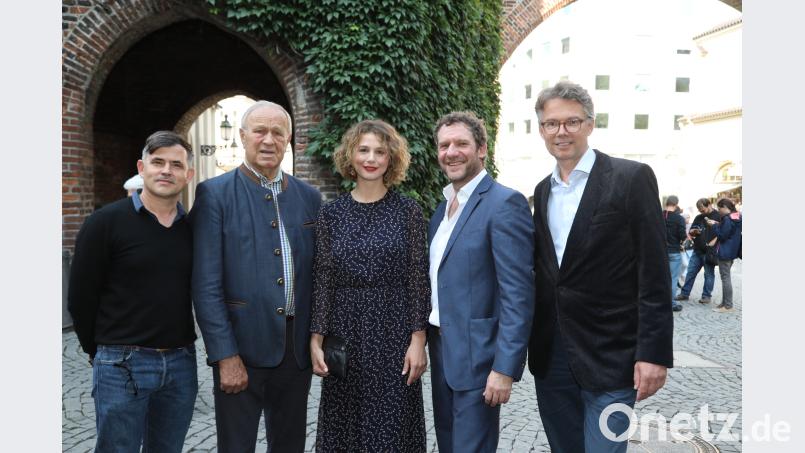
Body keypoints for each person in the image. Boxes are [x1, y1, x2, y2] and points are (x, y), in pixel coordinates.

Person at [528, 81, 674, 452]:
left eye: (572, 122)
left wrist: (653, 353)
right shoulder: (542, 190)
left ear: (590, 124)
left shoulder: (630, 178)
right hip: (553, 355)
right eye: (551, 123)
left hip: (612, 353)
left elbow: (654, 273)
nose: (561, 132)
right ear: (542, 129)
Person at [190, 101, 322, 452]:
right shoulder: (214, 194)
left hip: (295, 352)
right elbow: (205, 285)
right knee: (236, 446)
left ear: (288, 140)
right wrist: (225, 356)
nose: (268, 140)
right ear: (243, 136)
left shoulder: (309, 198)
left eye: (277, 132)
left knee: (290, 444)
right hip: (241, 347)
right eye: (260, 131)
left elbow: (319, 275)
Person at [68, 131, 198, 452]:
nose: (166, 170)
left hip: (181, 362)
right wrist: (97, 351)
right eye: (158, 162)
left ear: (188, 174)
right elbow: (80, 296)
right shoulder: (104, 223)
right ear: (142, 168)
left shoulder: (194, 229)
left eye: (176, 164)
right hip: (121, 362)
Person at [309, 119, 431, 452]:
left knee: (391, 429)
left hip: (394, 335)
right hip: (344, 333)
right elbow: (323, 279)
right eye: (363, 150)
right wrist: (316, 338)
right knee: (343, 428)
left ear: (391, 159)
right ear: (351, 155)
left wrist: (418, 339)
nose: (371, 158)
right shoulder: (330, 214)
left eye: (380, 151)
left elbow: (418, 278)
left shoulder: (408, 212)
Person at [428, 111, 535, 452]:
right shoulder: (442, 210)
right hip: (443, 349)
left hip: (480, 356)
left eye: (461, 143)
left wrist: (504, 368)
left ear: (482, 150)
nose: (452, 152)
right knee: (448, 441)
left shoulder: (505, 203)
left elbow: (518, 293)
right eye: (444, 145)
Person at [675, 198, 721, 304]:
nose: (701, 212)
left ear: (709, 205)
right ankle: (684, 293)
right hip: (697, 250)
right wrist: (694, 231)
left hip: (710, 251)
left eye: (703, 209)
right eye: (700, 210)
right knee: (690, 272)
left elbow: (722, 233)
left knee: (708, 274)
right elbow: (691, 232)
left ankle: (706, 296)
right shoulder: (699, 217)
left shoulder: (718, 216)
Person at [707, 198, 742, 313]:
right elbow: (730, 231)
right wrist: (719, 224)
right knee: (725, 278)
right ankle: (724, 303)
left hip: (725, 252)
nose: (719, 211)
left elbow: (722, 236)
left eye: (719, 208)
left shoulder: (727, 219)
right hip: (732, 251)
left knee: (725, 279)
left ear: (725, 207)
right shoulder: (736, 216)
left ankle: (728, 306)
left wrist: (714, 226)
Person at [664, 195, 686, 312]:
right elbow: (683, 236)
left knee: (661, 278)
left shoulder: (658, 216)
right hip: (674, 252)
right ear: (676, 204)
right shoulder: (679, 219)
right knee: (673, 279)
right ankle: (671, 303)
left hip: (660, 252)